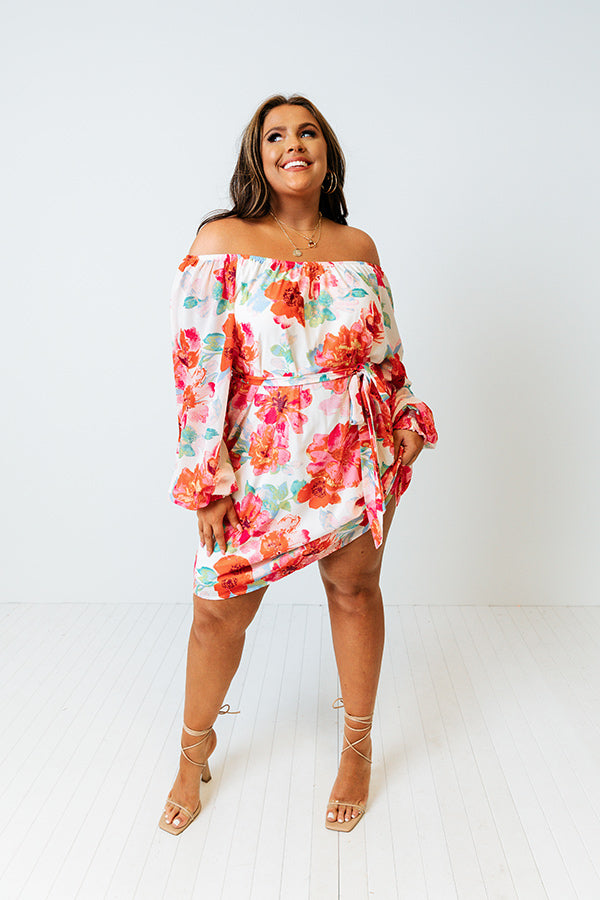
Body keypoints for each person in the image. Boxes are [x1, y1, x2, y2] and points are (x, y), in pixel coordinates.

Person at [160, 94, 437, 835]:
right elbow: (197, 369)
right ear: (257, 157)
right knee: (217, 613)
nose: (294, 143)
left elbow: (387, 355)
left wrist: (406, 416)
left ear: (326, 151)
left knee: (355, 592)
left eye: (307, 131)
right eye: (275, 135)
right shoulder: (222, 239)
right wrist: (207, 479)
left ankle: (357, 746)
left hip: (355, 452)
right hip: (256, 459)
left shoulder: (358, 248)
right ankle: (192, 752)